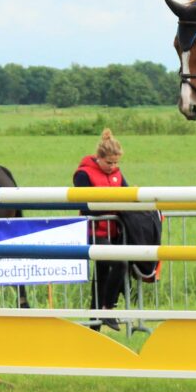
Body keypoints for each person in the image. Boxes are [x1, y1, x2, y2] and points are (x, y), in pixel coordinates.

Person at [73, 129, 127, 331]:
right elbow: (86, 206)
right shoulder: (83, 175)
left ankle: (94, 324)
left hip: (112, 232)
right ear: (99, 158)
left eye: (116, 163)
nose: (113, 167)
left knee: (103, 274)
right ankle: (107, 309)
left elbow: (128, 194)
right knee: (120, 263)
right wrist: (114, 205)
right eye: (109, 163)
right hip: (92, 232)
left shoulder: (117, 174)